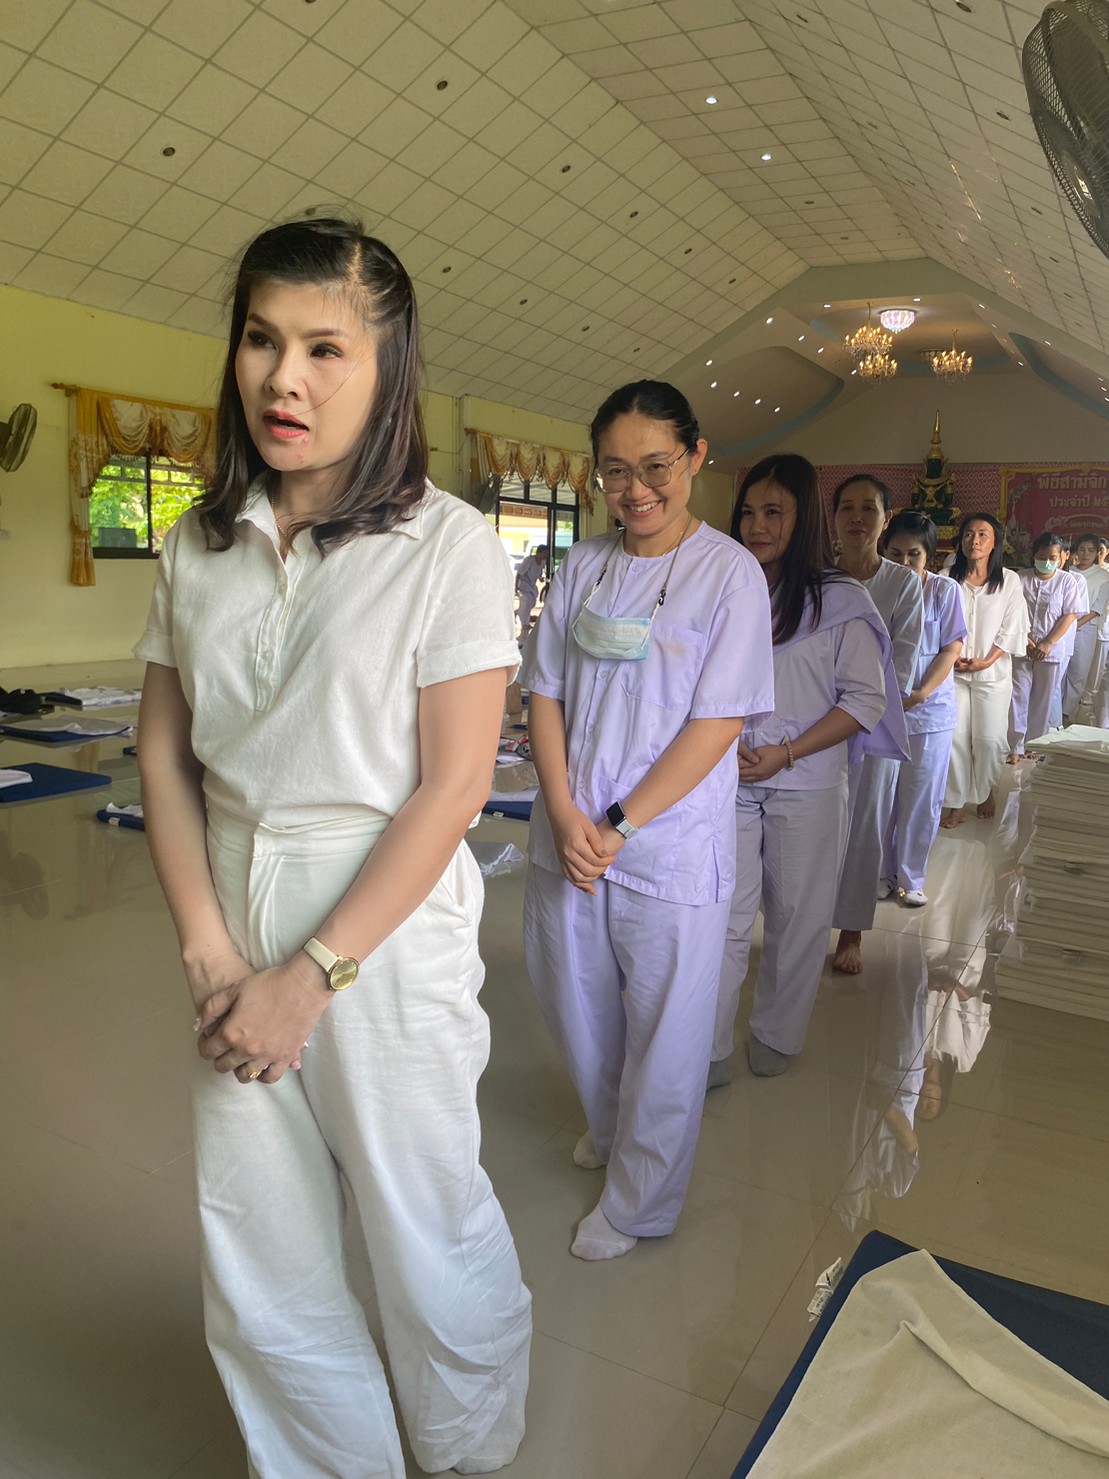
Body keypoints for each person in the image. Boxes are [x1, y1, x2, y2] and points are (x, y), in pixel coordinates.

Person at [135, 218, 531, 1479]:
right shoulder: (197, 544)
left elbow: (452, 786)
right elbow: (164, 757)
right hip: (230, 888)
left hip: (380, 921)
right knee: (257, 1235)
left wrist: (309, 978)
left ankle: (466, 1446)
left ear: (387, 367)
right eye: (261, 340)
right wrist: (209, 953)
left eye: (324, 349)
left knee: (422, 1214)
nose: (284, 379)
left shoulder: (447, 546)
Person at [521, 380, 774, 1259]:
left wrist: (618, 824)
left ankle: (639, 1202)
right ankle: (609, 1128)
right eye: (615, 471)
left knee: (666, 1031)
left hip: (664, 845)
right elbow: (544, 693)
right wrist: (565, 812)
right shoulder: (583, 565)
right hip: (569, 835)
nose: (636, 490)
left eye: (655, 466)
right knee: (576, 1004)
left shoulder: (728, 574)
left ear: (695, 456)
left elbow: (718, 722)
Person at [710, 454, 899, 1081]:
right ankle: (707, 1044)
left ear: (805, 518)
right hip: (730, 778)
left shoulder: (840, 600)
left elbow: (865, 701)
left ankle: (778, 1031)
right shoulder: (726, 590)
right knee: (722, 915)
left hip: (807, 783)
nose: (757, 526)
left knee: (798, 918)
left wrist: (788, 753)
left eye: (774, 512)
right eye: (748, 512)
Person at [829, 475, 924, 975]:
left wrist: (858, 712)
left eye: (869, 508)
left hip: (872, 725)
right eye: (847, 507)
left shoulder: (902, 584)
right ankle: (800, 925)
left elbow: (902, 661)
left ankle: (851, 931)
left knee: (864, 826)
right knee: (809, 826)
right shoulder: (817, 577)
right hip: (813, 724)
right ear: (833, 519)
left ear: (885, 520)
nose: (857, 518)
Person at [880, 511, 966, 906]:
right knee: (880, 799)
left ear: (928, 556)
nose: (904, 563)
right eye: (895, 553)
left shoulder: (944, 591)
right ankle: (879, 873)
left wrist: (922, 692)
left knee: (921, 797)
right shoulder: (876, 586)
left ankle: (910, 878)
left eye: (913, 554)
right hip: (881, 709)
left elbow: (951, 647)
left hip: (929, 712)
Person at [942, 514, 1029, 826]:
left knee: (988, 738)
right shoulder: (946, 578)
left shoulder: (1008, 581)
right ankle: (955, 801)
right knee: (954, 737)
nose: (975, 540)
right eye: (968, 534)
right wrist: (950, 657)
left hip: (992, 675)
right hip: (952, 673)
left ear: (995, 543)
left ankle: (984, 791)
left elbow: (1013, 626)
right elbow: (936, 621)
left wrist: (988, 660)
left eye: (982, 534)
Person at [1008, 531, 1086, 760]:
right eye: (1042, 557)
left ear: (1062, 557)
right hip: (1022, 647)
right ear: (1034, 556)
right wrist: (1026, 640)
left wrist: (1048, 643)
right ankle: (1015, 746)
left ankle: (1034, 745)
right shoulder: (1020, 578)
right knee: (1017, 696)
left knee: (1043, 700)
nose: (1047, 562)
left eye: (1052, 558)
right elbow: (1012, 612)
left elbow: (1070, 614)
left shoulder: (1067, 581)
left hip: (1051, 651)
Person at [1062, 534, 1109, 718]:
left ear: (1097, 553)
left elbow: (1097, 608)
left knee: (1079, 672)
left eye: (1090, 551)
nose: (1085, 554)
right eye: (1082, 549)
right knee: (1060, 671)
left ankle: (1067, 713)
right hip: (1062, 627)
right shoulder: (1068, 572)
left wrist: (1075, 625)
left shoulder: (1103, 576)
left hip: (1086, 628)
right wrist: (1066, 625)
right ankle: (1054, 712)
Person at [516, 542, 548, 640]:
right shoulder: (529, 560)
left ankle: (517, 613)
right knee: (526, 602)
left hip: (532, 585)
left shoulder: (542, 562)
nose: (545, 556)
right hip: (524, 584)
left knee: (532, 603)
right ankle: (525, 625)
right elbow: (519, 574)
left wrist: (540, 578)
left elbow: (538, 572)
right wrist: (516, 587)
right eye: (544, 553)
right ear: (539, 553)